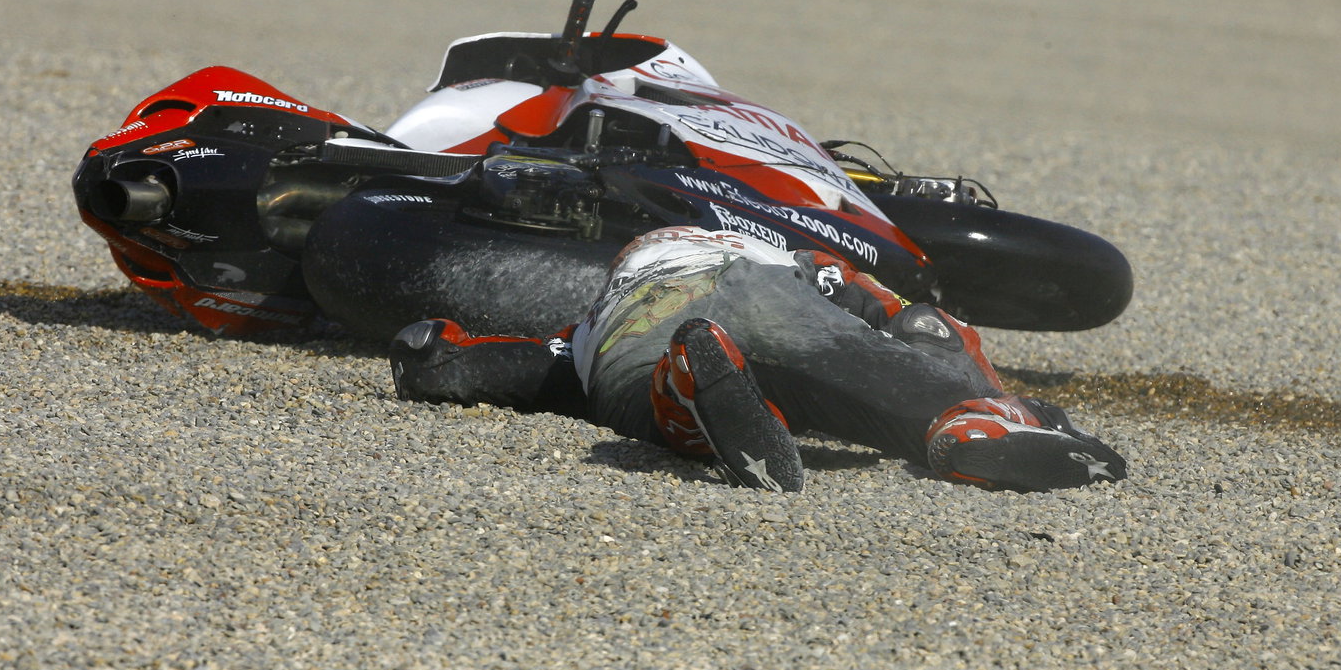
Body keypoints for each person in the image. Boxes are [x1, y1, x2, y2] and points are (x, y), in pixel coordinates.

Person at [389, 226, 1126, 493]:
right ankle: (973, 420)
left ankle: (685, 393)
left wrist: (427, 354)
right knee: (902, 366)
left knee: (625, 392)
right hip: (766, 291)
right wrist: (984, 382)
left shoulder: (580, 328)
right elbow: (923, 321)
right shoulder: (792, 258)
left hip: (636, 319)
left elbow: (475, 362)